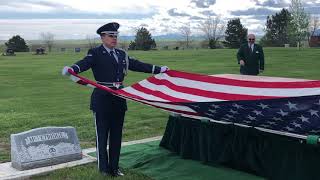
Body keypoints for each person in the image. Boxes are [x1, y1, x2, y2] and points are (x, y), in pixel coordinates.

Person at [61, 22, 169, 177]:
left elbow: (137, 65)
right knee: (102, 135)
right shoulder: (95, 53)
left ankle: (114, 167)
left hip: (119, 97)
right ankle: (104, 169)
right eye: (111, 36)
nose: (114, 39)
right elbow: (85, 63)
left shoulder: (120, 54)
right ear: (102, 37)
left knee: (116, 136)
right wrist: (73, 69)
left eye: (116, 36)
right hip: (102, 98)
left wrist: (159, 69)